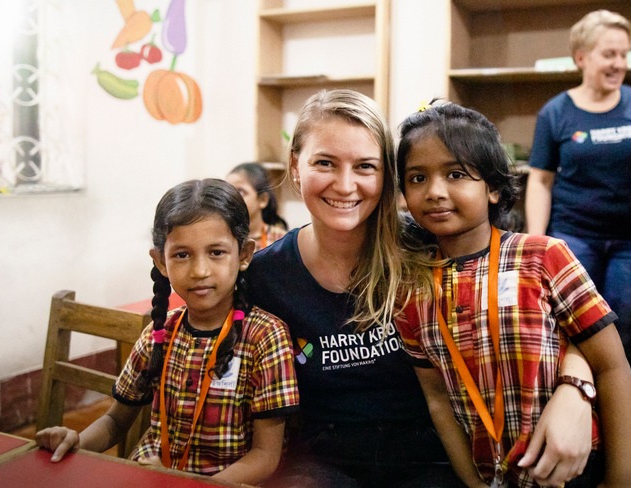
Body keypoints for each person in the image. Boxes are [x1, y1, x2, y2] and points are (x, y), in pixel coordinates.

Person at [245, 89, 593, 488]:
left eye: (365, 166)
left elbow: (563, 320)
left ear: (387, 176)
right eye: (324, 163)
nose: (345, 185)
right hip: (323, 464)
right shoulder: (264, 276)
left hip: (435, 459)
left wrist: (576, 391)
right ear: (295, 166)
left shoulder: (431, 242)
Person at [395, 100, 631, 487]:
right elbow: (438, 398)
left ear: (492, 187)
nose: (434, 191)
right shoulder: (411, 292)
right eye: (417, 178)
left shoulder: (544, 256)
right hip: (494, 476)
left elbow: (611, 366)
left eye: (455, 174)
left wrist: (622, 479)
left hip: (574, 470)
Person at [36, 179, 300, 486]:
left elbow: (265, 457)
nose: (200, 270)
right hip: (150, 478)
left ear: (243, 255)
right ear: (161, 261)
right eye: (182, 255)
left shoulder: (266, 337)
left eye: (216, 252)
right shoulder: (159, 333)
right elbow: (114, 421)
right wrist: (76, 442)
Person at [525, 10, 631, 385]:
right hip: (574, 237)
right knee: (576, 326)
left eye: (624, 54)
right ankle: (576, 400)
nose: (619, 63)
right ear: (581, 57)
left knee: (622, 325)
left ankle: (617, 410)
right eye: (609, 54)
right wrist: (537, 243)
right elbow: (540, 181)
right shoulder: (555, 113)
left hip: (629, 242)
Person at [226, 162, 288, 251]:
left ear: (263, 200)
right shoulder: (223, 238)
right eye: (228, 192)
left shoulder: (281, 240)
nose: (231, 198)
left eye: (240, 192)